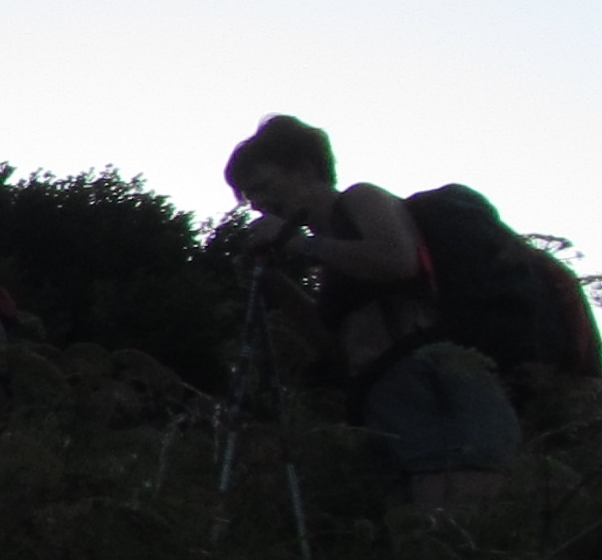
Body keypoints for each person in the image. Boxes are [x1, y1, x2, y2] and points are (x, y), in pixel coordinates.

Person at [222, 115, 519, 511]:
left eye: (264, 187)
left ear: (304, 169)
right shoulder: (332, 257)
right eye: (250, 199)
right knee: (413, 525)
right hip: (381, 392)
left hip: (429, 378)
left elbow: (398, 261)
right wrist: (274, 281)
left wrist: (299, 245)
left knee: (451, 513)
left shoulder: (361, 200)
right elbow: (333, 343)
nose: (259, 205)